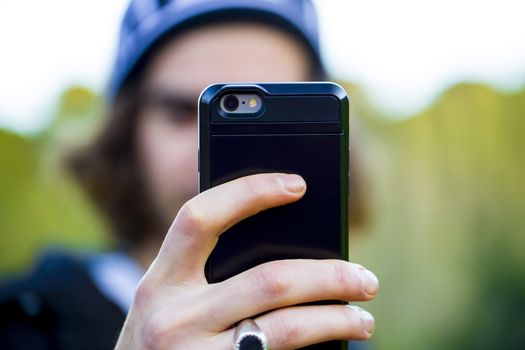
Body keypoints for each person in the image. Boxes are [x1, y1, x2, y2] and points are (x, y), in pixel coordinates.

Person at [0, 1, 378, 349]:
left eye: (266, 122)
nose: (208, 146)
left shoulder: (347, 339)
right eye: (182, 112)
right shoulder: (19, 323)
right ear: (126, 131)